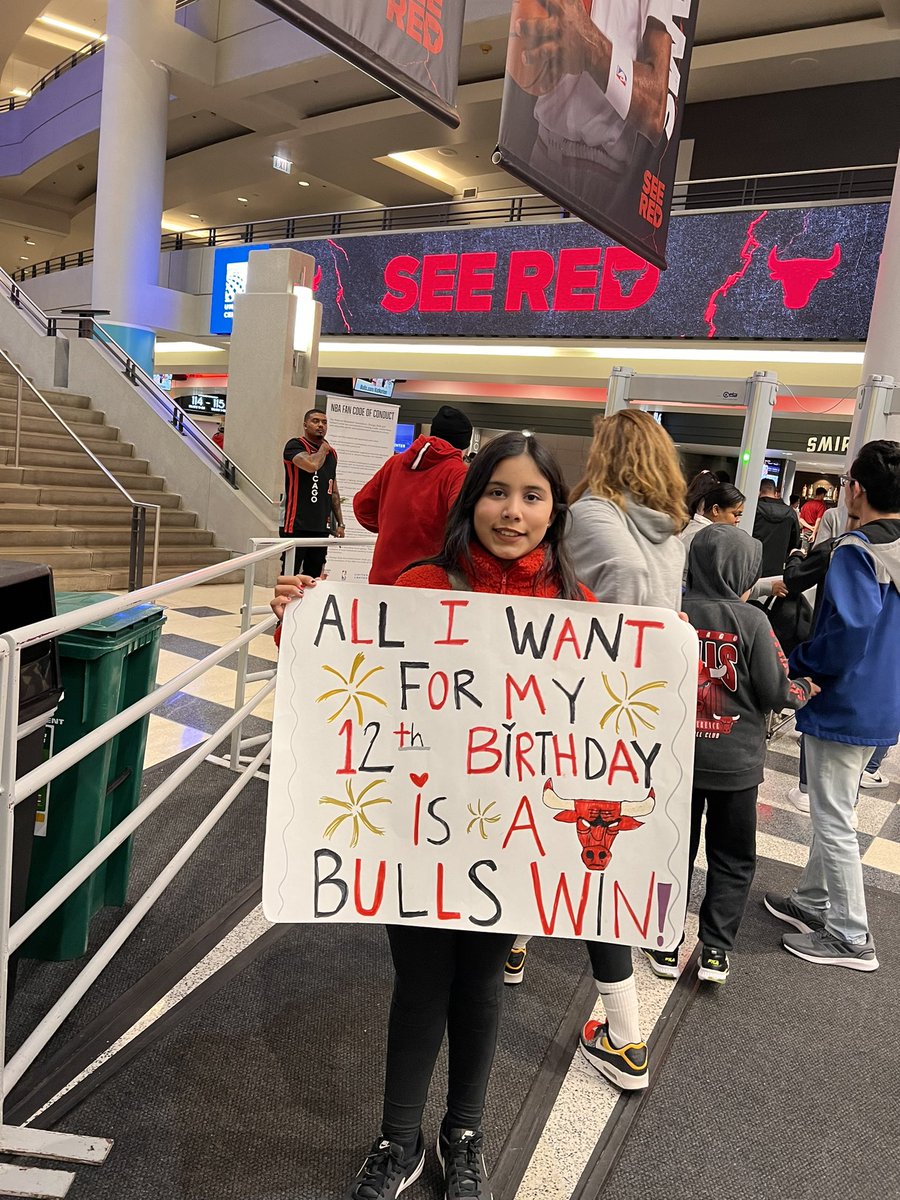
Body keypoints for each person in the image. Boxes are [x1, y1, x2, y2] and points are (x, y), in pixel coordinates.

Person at [272, 431, 592, 1200]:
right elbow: (344, 684)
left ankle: (466, 1134)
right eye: (496, 492)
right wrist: (304, 621)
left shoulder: (580, 611)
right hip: (413, 831)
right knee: (419, 982)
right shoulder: (419, 585)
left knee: (481, 983)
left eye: (532, 495)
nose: (512, 512)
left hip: (511, 839)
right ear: (470, 497)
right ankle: (399, 1136)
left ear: (555, 510)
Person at [514, 410, 687, 1090]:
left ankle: (625, 1033)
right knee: (583, 854)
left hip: (575, 707)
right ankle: (520, 944)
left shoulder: (587, 518)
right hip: (638, 718)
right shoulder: (671, 534)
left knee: (558, 847)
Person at [645, 525, 814, 984]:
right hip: (735, 765)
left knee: (672, 852)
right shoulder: (753, 620)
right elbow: (777, 689)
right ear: (743, 569)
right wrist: (802, 689)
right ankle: (716, 950)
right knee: (733, 857)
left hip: (675, 761)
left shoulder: (671, 612)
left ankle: (662, 944)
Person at [765, 441, 900, 971]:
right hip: (882, 698)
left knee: (834, 815)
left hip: (842, 698)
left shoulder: (855, 551)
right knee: (835, 806)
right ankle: (814, 900)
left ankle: (850, 935)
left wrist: (803, 663)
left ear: (857, 490)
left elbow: (849, 628)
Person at [511, 0, 674, 227]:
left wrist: (591, 48)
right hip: (543, 151)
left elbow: (656, 111)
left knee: (589, 260)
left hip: (604, 172)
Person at [567, 409, 687, 606]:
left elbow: (625, 568)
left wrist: (620, 632)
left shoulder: (590, 514)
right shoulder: (672, 542)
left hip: (603, 635)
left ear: (601, 455)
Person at [353, 405, 472, 585]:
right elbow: (463, 527)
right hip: (428, 582)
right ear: (463, 445)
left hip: (382, 579)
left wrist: (390, 526)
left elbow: (362, 507)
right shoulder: (457, 473)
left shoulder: (394, 463)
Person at [280, 408, 344, 578]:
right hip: (296, 525)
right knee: (290, 574)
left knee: (314, 576)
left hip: (321, 526)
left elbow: (334, 491)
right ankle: (284, 605)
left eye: (324, 422)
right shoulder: (295, 445)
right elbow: (311, 466)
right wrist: (323, 449)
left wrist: (340, 523)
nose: (321, 425)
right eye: (315, 421)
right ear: (305, 425)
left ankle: (308, 605)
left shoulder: (333, 454)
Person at [679, 473, 745, 569]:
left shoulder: (694, 532)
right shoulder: (704, 539)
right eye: (735, 514)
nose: (737, 520)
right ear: (716, 510)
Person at [752, 479, 801, 576]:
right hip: (777, 568)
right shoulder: (791, 512)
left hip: (752, 567)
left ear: (759, 491)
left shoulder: (754, 509)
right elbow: (795, 543)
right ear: (775, 493)